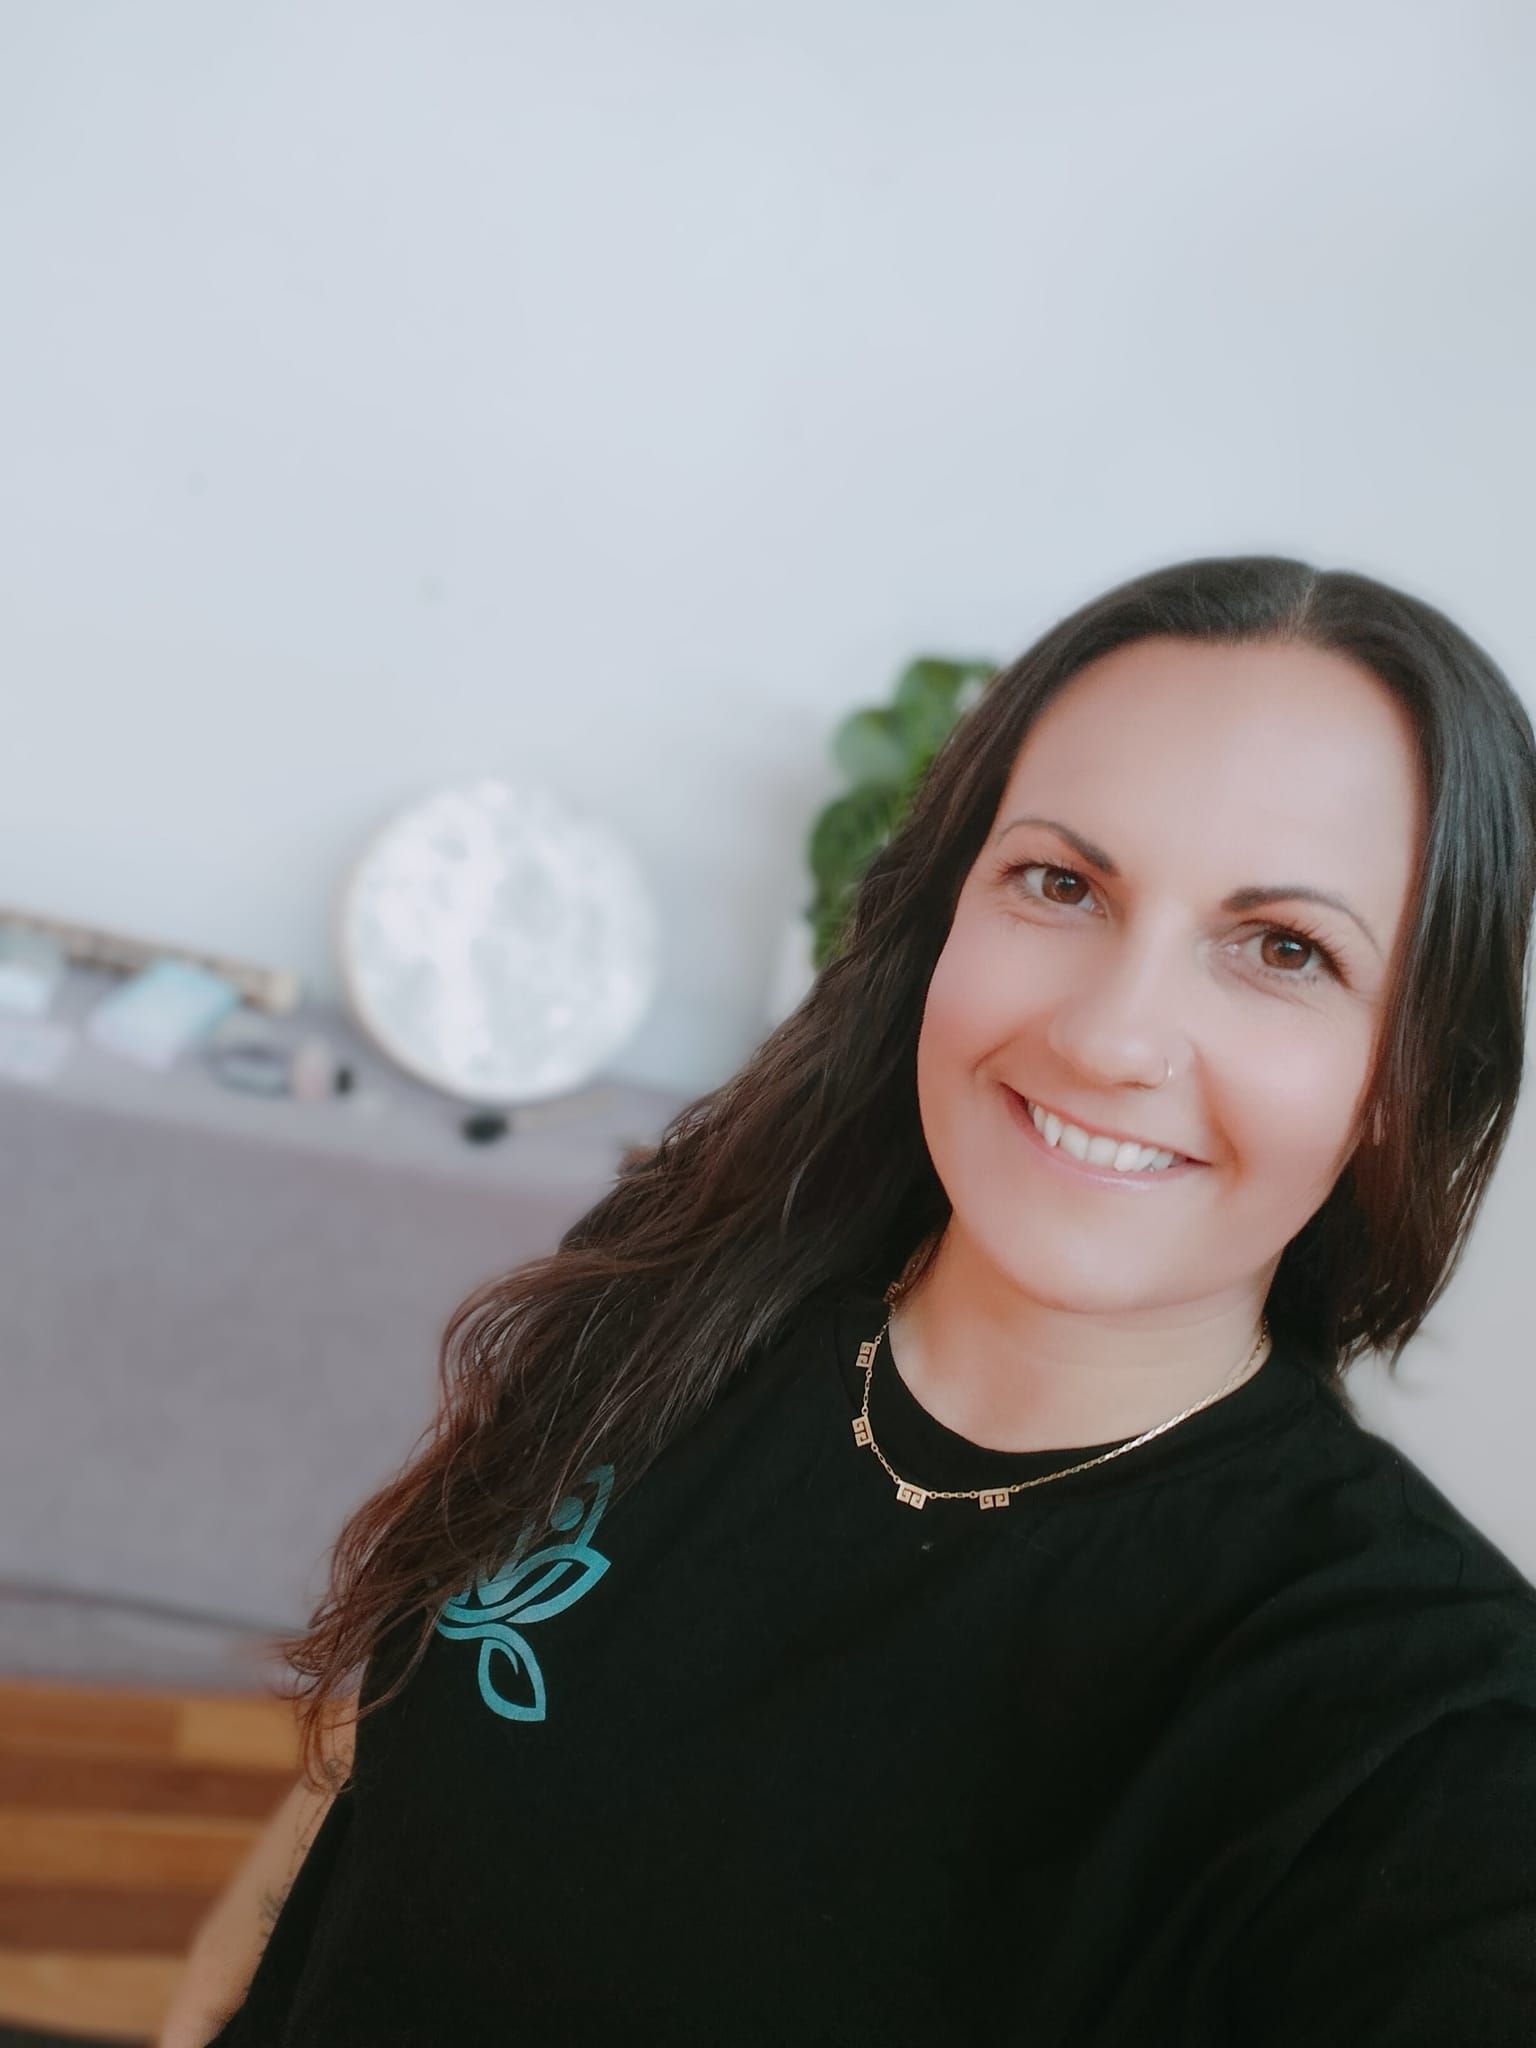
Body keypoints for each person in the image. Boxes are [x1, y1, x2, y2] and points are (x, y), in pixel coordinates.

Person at [160, 554, 1536, 2047]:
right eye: (1061, 883)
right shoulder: (686, 1274)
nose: (1113, 1034)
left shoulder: (1423, 1726)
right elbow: (367, 1802)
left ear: (1404, 1084)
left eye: (1284, 950)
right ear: (949, 905)